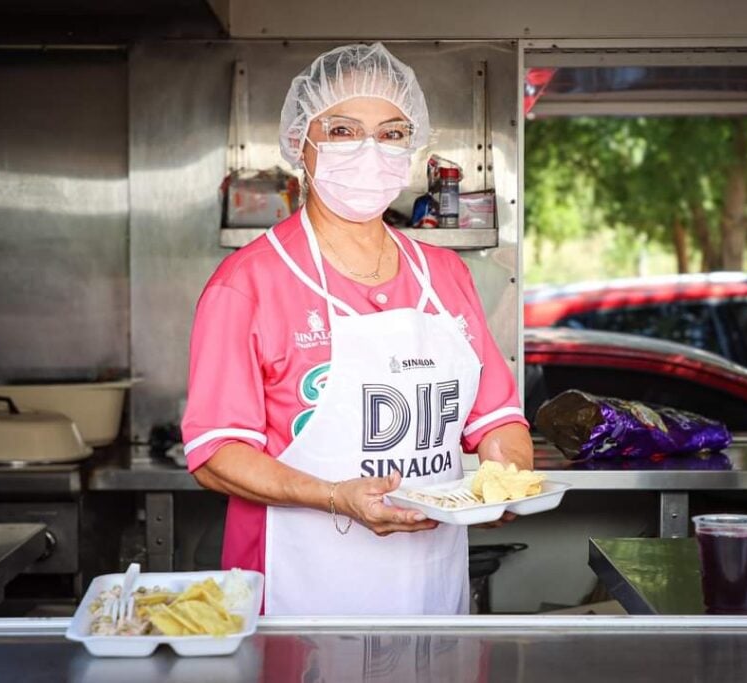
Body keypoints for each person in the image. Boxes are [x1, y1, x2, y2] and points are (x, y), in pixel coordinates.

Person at [181, 43, 532, 616]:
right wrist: (335, 497)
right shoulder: (249, 282)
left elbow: (496, 419)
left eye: (391, 133)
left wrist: (508, 476)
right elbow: (215, 451)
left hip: (429, 588)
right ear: (302, 144)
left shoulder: (445, 274)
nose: (371, 151)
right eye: (344, 130)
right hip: (299, 586)